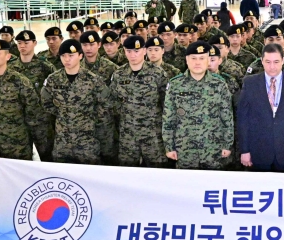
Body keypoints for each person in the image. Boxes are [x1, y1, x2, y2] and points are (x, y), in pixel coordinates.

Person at [0, 39, 49, 177]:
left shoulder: (20, 82)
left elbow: (34, 117)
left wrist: (43, 151)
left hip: (17, 148)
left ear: (8, 56)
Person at [238, 43, 284, 172]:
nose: (272, 67)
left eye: (276, 61)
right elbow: (243, 120)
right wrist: (244, 150)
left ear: (283, 60)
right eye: (268, 62)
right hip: (258, 152)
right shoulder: (250, 83)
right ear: (262, 61)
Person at [163, 41, 234, 170]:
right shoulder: (175, 84)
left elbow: (227, 116)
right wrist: (169, 146)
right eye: (193, 58)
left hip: (213, 148)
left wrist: (227, 144)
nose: (197, 62)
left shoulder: (219, 84)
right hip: (184, 149)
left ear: (208, 60)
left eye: (202, 58)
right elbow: (168, 118)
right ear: (186, 60)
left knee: (212, 185)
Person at [40, 40, 113, 164]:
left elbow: (105, 105)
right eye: (63, 56)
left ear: (80, 56)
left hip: (87, 142)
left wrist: (89, 117)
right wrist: (64, 112)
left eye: (71, 55)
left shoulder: (93, 80)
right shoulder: (53, 80)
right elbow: (46, 102)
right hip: (62, 143)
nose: (67, 59)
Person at [109, 36, 169, 167]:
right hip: (128, 136)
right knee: (127, 174)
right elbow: (113, 102)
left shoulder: (158, 74)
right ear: (124, 52)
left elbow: (166, 105)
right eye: (129, 51)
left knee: (157, 172)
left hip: (153, 135)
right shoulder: (119, 75)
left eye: (136, 51)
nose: (133, 55)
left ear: (144, 51)